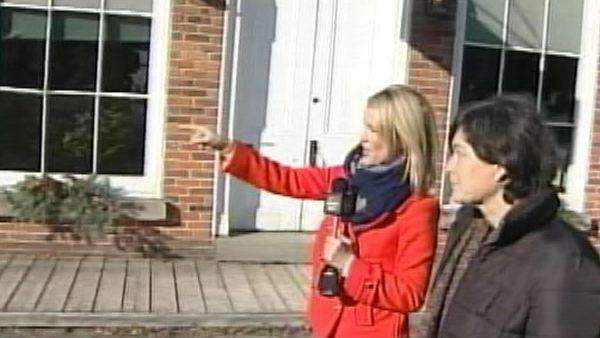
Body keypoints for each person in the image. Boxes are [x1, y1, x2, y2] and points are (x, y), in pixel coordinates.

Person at [188, 84, 440, 338]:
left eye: (373, 130)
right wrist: (227, 147)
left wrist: (350, 265)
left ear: (401, 137)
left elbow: (410, 294)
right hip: (327, 323)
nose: (361, 136)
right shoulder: (346, 177)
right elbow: (286, 179)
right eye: (365, 125)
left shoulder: (418, 208)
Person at [424, 95, 600, 338]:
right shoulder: (471, 230)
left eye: (461, 154)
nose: (449, 167)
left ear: (501, 165)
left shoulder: (565, 262)